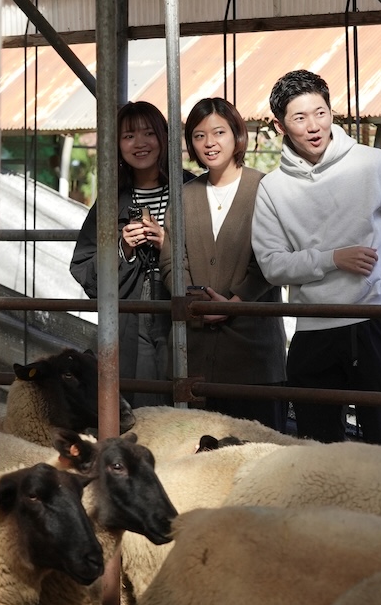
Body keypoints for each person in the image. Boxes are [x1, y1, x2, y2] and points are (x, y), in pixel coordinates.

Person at [251, 68, 381, 449]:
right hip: (313, 327)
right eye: (300, 118)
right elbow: (272, 265)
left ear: (331, 111)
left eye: (320, 112)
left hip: (376, 319)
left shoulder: (371, 164)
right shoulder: (272, 188)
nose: (313, 126)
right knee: (315, 444)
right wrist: (332, 258)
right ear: (280, 125)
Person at [159, 96, 287, 432]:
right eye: (199, 136)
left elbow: (272, 259)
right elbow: (172, 258)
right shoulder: (184, 195)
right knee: (196, 454)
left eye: (218, 132)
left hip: (252, 349)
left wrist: (235, 303)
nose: (209, 143)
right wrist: (194, 301)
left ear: (237, 135)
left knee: (259, 449)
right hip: (195, 347)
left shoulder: (266, 188)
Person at [70, 100, 193, 405]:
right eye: (128, 136)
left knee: (187, 397)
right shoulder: (112, 198)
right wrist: (123, 247)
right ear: (118, 145)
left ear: (164, 138)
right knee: (140, 403)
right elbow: (84, 266)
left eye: (148, 133)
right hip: (132, 316)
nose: (139, 143)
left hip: (182, 309)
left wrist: (167, 244)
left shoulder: (191, 188)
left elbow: (215, 257)